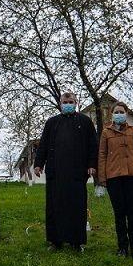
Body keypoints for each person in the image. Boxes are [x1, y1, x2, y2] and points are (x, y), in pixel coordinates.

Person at [34, 92, 98, 252]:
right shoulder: (52, 122)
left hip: (77, 173)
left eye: (71, 102)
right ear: (60, 103)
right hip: (56, 172)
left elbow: (93, 145)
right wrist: (38, 164)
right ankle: (55, 241)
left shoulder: (85, 122)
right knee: (55, 207)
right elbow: (43, 145)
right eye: (65, 102)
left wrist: (92, 164)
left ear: (76, 103)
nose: (68, 104)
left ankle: (77, 242)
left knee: (77, 207)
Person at [97, 102, 133, 260]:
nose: (119, 114)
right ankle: (122, 248)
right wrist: (102, 177)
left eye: (122, 111)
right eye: (116, 112)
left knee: (132, 213)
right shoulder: (106, 132)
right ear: (111, 114)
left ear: (126, 113)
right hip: (114, 178)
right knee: (119, 214)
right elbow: (102, 155)